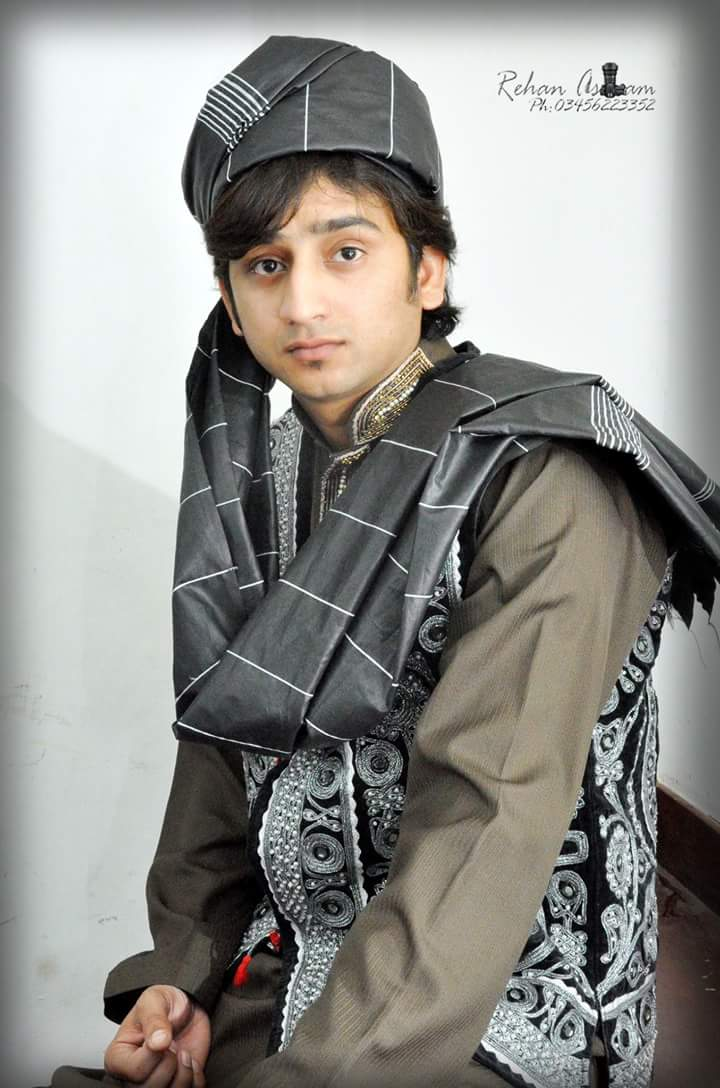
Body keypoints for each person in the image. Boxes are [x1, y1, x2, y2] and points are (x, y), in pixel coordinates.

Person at [48, 34, 720, 1088]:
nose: (303, 303)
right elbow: (220, 746)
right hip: (293, 967)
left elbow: (484, 826)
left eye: (347, 250)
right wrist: (180, 975)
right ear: (230, 298)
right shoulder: (264, 472)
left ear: (428, 266)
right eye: (266, 265)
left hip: (501, 1009)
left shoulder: (544, 478)